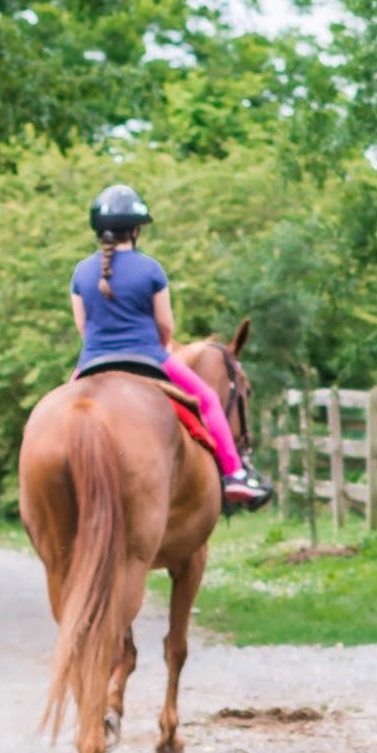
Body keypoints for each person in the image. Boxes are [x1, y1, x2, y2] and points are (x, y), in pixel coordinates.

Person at [69, 184, 272, 510]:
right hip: (149, 357)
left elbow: (82, 327)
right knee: (207, 400)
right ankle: (234, 474)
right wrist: (159, 345)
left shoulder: (80, 272)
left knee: (59, 409)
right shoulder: (151, 269)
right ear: (135, 231)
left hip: (93, 361)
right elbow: (166, 325)